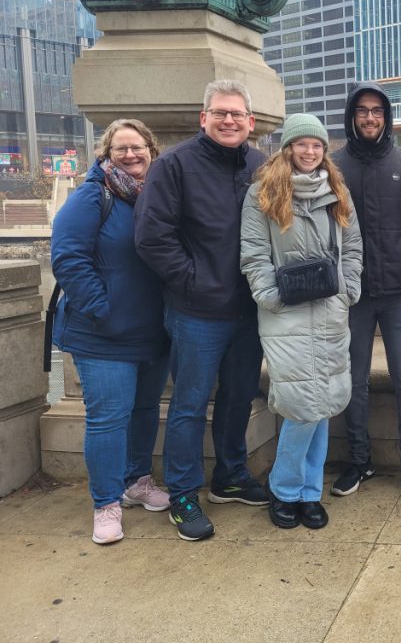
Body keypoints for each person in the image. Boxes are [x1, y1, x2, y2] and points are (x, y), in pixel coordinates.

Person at [135, 79, 269, 541]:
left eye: (237, 114)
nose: (229, 120)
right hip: (197, 312)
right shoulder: (173, 165)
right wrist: (193, 281)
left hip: (250, 309)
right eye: (220, 113)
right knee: (189, 405)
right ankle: (184, 494)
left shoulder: (261, 165)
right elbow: (152, 237)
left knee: (239, 397)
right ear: (204, 117)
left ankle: (230, 476)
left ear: (251, 122)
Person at [240, 114, 362, 530]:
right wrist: (270, 296)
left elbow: (353, 245)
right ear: (288, 147)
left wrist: (348, 288)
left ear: (324, 150)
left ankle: (309, 492)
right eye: (302, 144)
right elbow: (254, 253)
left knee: (321, 401)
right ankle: (284, 487)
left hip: (330, 310)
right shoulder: (263, 192)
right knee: (301, 404)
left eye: (317, 145)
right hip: (286, 313)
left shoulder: (337, 191)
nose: (309, 151)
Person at [51, 119, 170, 544]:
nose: (131, 155)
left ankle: (136, 482)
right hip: (103, 333)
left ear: (151, 150)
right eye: (121, 149)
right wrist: (103, 310)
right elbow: (67, 258)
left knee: (144, 410)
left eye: (138, 147)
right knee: (108, 419)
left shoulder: (156, 195)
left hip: (152, 330)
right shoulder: (92, 196)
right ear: (107, 154)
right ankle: (106, 503)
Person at [330, 82, 401, 505]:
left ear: (386, 117)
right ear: (352, 116)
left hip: (400, 291)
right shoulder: (333, 166)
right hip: (352, 293)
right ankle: (359, 460)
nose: (370, 118)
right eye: (362, 111)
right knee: (353, 380)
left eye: (377, 111)